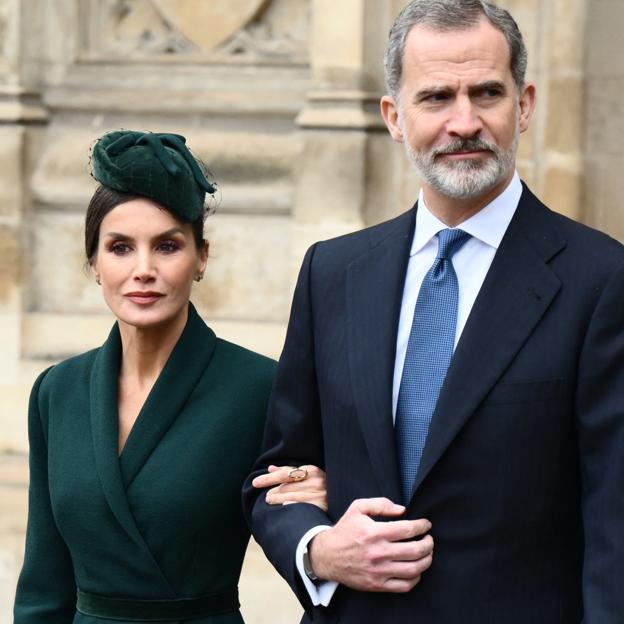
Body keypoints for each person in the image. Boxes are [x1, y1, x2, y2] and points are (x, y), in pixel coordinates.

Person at [244, 1, 624, 622]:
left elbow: (616, 525)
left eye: (487, 94)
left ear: (524, 105)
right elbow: (275, 479)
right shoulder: (332, 274)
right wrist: (318, 550)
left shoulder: (601, 281)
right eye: (436, 97)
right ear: (395, 116)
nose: (464, 121)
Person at [13, 130, 327, 624]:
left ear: (201, 258)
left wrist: (323, 493)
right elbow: (43, 581)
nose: (143, 269)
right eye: (119, 248)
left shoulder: (259, 388)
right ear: (93, 263)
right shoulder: (57, 391)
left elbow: (303, 533)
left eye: (166, 246)